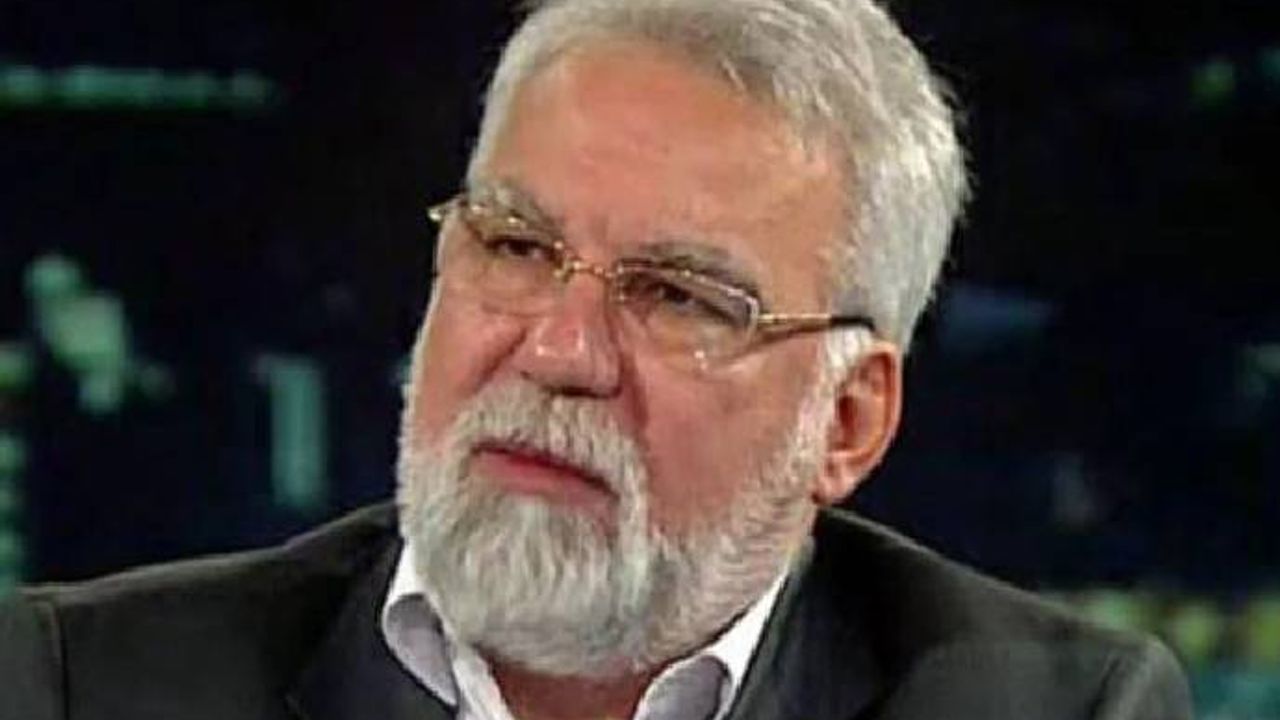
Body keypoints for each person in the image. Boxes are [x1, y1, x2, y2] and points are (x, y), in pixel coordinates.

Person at [0, 0, 1193, 718]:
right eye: (515, 247)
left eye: (678, 297)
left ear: (846, 421)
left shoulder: (1054, 709)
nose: (558, 351)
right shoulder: (77, 685)